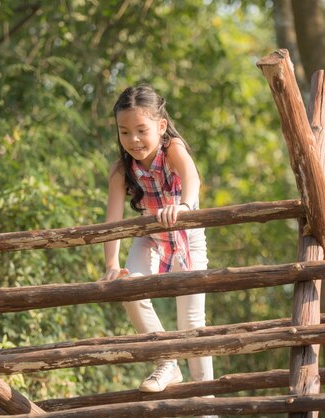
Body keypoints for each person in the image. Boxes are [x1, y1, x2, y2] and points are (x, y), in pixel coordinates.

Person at [100, 84, 214, 394]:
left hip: (187, 236)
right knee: (127, 285)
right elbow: (113, 221)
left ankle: (206, 402)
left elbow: (192, 177)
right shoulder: (121, 170)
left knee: (191, 323)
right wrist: (111, 263)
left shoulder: (171, 148)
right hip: (149, 236)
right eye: (124, 132)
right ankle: (166, 361)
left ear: (160, 126)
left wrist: (185, 207)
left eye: (141, 130)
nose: (133, 139)